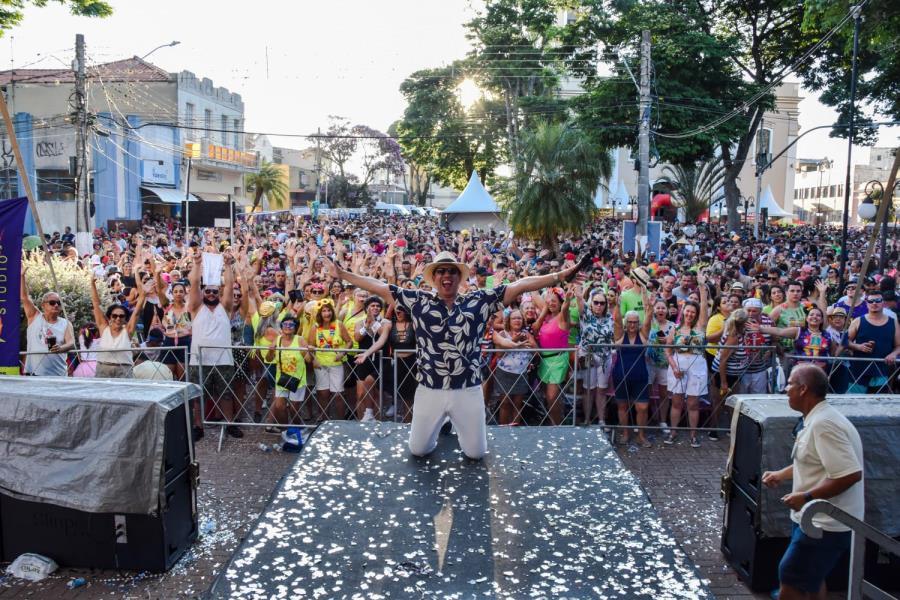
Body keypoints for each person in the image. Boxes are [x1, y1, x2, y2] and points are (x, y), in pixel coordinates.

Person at [323, 250, 581, 459]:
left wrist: (560, 276)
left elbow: (519, 285)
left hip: (467, 390)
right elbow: (379, 286)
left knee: (476, 453)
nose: (446, 275)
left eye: (451, 271)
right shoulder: (418, 301)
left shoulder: (479, 301)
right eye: (441, 271)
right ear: (434, 277)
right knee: (418, 449)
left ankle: (456, 426)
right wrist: (344, 273)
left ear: (459, 277)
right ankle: (439, 427)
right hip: (429, 390)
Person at [762, 364, 864, 600]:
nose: (785, 389)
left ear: (803, 389)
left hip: (825, 524)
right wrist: (781, 474)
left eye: (789, 384)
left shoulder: (824, 424)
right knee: (811, 578)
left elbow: (850, 474)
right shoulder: (816, 418)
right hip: (812, 519)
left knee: (791, 575)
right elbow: (812, 460)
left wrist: (806, 497)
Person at [187, 248, 241, 440]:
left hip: (223, 359)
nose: (211, 293)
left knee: (226, 395)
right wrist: (197, 264)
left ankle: (229, 424)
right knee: (198, 397)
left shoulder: (225, 308)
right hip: (199, 360)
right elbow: (193, 283)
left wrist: (227, 265)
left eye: (214, 291)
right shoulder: (195, 308)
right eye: (207, 291)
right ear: (203, 292)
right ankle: (198, 427)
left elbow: (230, 284)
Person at [664, 273, 710, 448]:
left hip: (697, 366)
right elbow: (668, 351)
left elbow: (704, 305)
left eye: (693, 311)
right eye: (687, 311)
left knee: (693, 402)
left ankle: (693, 435)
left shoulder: (700, 327)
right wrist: (674, 367)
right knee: (676, 401)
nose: (690, 314)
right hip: (678, 365)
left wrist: (702, 286)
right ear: (683, 312)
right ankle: (673, 432)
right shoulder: (675, 329)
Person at [21, 268, 75, 376]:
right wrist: (22, 277)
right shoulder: (34, 316)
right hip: (34, 372)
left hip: (58, 374)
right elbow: (24, 297)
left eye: (58, 303)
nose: (56, 305)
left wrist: (61, 348)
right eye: (52, 302)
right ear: (43, 305)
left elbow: (71, 342)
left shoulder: (65, 323)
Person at [88, 273, 144, 378]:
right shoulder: (103, 328)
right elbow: (96, 304)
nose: (118, 318)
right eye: (114, 316)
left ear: (125, 319)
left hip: (123, 369)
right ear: (109, 317)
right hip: (103, 368)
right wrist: (92, 284)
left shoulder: (128, 330)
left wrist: (137, 277)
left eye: (121, 316)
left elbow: (137, 310)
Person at [845, 290, 900, 393]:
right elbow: (845, 342)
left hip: (881, 371)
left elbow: (898, 345)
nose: (874, 303)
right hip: (858, 371)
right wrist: (858, 347)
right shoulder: (858, 321)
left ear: (883, 303)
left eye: (878, 300)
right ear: (867, 303)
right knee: (854, 404)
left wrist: (893, 354)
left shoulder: (893, 322)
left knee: (878, 405)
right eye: (871, 301)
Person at [352, 296, 391, 422]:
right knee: (360, 394)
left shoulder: (385, 322)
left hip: (380, 360)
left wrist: (373, 322)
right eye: (372, 305)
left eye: (378, 306)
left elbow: (381, 334)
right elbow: (357, 338)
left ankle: (376, 419)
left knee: (377, 392)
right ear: (366, 308)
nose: (375, 308)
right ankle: (361, 421)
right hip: (363, 360)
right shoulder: (359, 322)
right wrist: (366, 325)